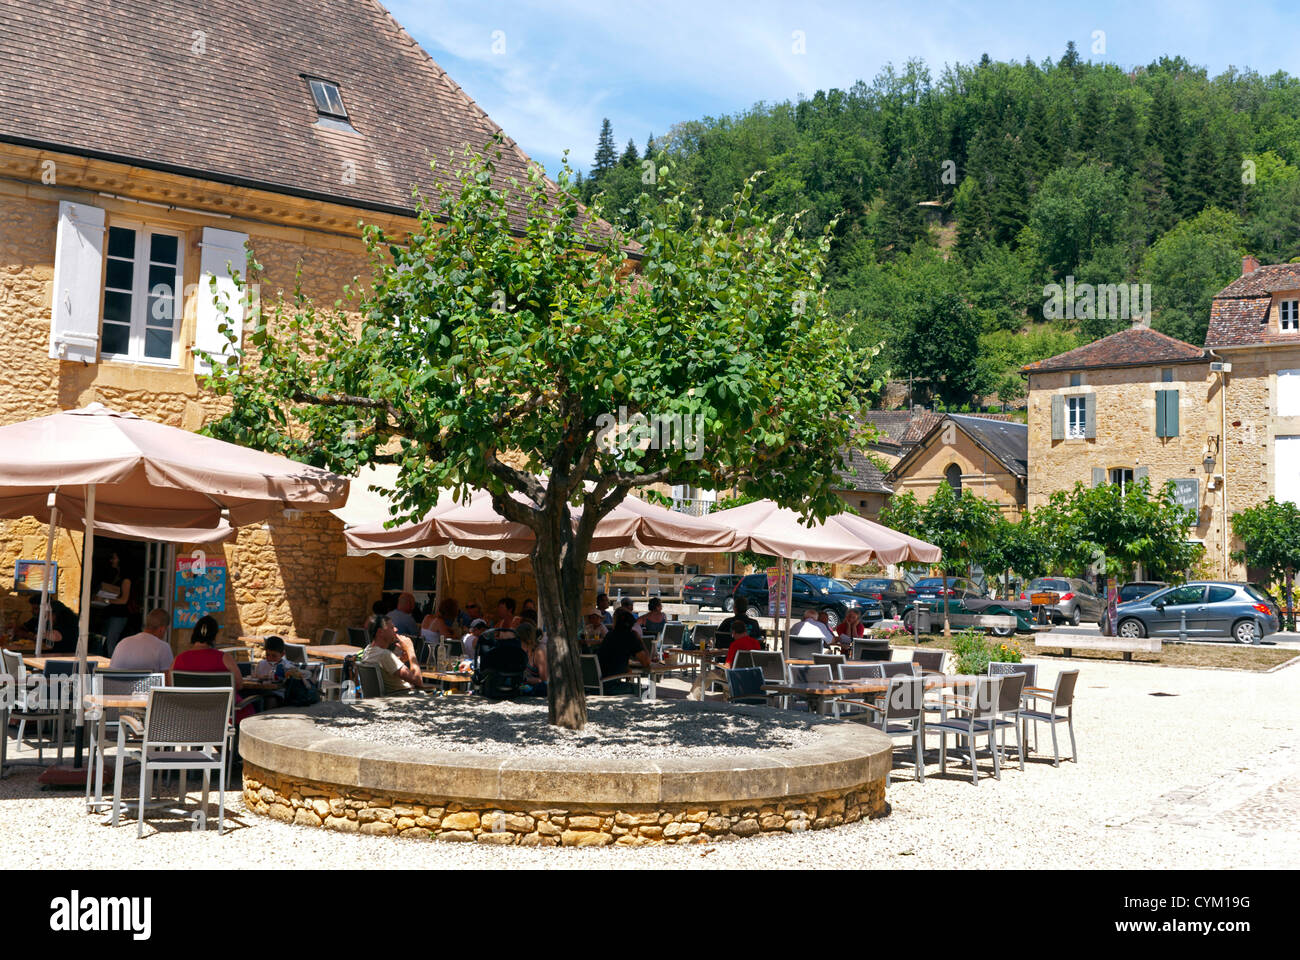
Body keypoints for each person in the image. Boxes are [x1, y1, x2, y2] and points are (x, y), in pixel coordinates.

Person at [170, 615, 255, 721]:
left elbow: (170, 686)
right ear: (214, 636)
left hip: (188, 717)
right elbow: (239, 684)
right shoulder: (225, 658)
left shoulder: (178, 659)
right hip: (221, 717)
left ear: (194, 634)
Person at [360, 614, 424, 694]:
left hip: (389, 697)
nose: (396, 629)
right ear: (380, 632)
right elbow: (418, 681)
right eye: (392, 627)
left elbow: (386, 670)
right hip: (403, 697)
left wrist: (401, 660)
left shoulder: (368, 650)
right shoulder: (385, 655)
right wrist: (410, 649)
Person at [597, 607, 650, 692]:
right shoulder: (630, 636)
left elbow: (614, 657)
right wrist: (640, 639)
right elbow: (646, 662)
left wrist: (626, 668)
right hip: (611, 687)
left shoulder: (609, 635)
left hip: (597, 685)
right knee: (645, 689)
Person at [109, 607, 174, 673]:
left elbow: (112, 672)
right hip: (144, 680)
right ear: (162, 629)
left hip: (118, 680)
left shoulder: (122, 643)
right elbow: (168, 677)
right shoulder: (163, 647)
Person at [99, 550, 133, 655]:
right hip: (112, 613)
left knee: (111, 641)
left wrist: (105, 600)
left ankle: (111, 662)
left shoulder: (126, 579)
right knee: (106, 640)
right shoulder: (117, 575)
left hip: (119, 615)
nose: (111, 560)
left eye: (114, 558)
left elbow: (124, 600)